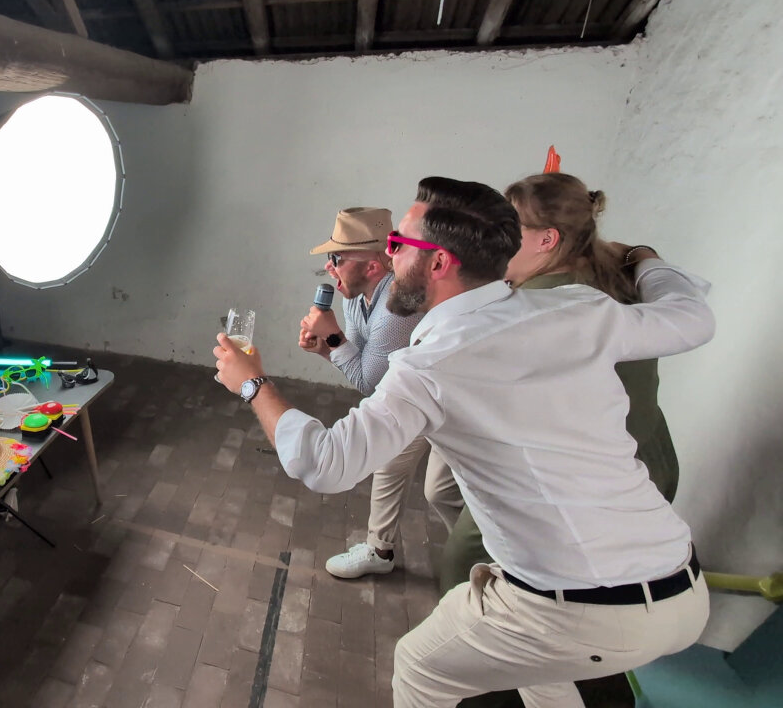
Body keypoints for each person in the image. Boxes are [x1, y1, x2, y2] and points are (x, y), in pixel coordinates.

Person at [213, 176, 713, 707]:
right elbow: (691, 318)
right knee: (536, 667)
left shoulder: (431, 365)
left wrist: (252, 383)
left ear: (438, 262)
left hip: (575, 608)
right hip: (682, 591)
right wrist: (646, 259)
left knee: (420, 669)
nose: (387, 252)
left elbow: (324, 463)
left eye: (398, 244)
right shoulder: (578, 309)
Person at [434, 172, 682, 595]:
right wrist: (643, 253)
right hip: (649, 462)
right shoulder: (614, 272)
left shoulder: (543, 306)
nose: (496, 239)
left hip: (589, 473)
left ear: (547, 240)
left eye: (508, 230)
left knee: (461, 563)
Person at [298, 207, 461, 579]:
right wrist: (326, 346)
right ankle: (379, 551)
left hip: (453, 398)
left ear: (372, 268)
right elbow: (361, 366)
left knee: (441, 491)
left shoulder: (396, 308)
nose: (329, 268)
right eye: (328, 258)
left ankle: (483, 555)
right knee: (389, 463)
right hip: (414, 393)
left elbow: (371, 381)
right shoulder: (352, 296)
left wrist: (333, 338)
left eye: (336, 258)